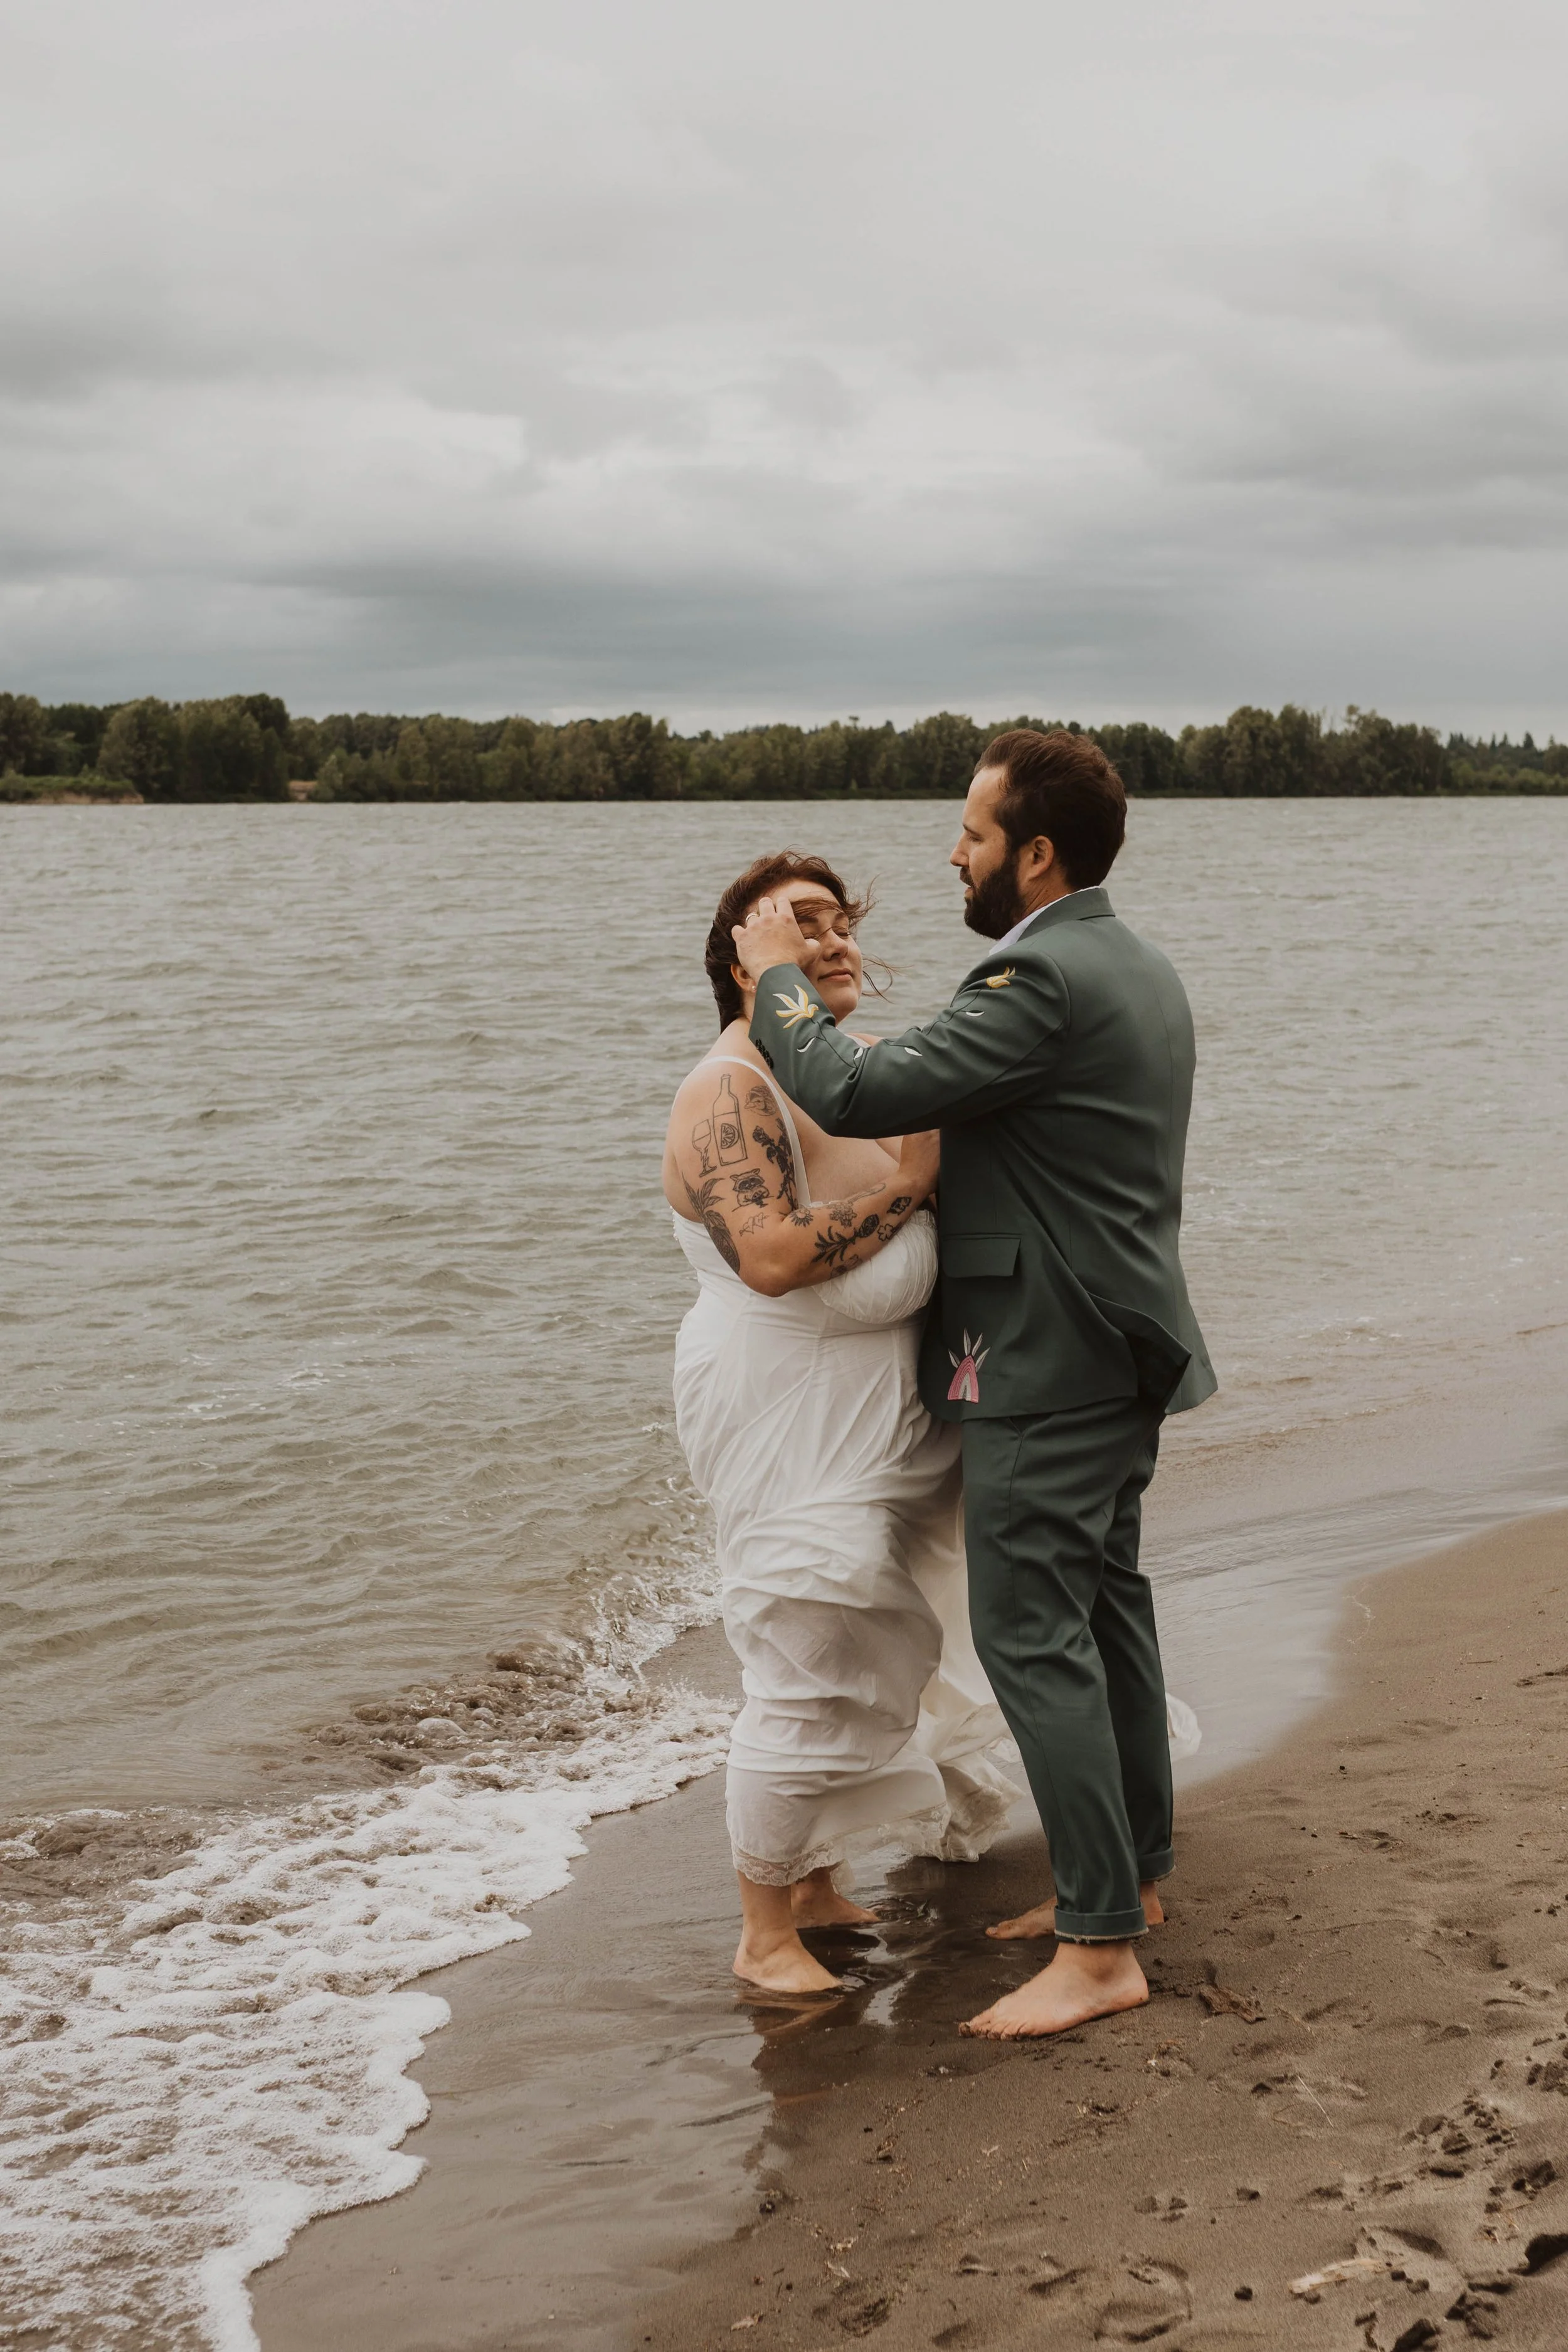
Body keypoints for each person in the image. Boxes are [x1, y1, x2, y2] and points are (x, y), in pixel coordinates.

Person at [736, 731, 1216, 2038]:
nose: (953, 852)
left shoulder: (1039, 976)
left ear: (1035, 853)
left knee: (1027, 1633)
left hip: (1048, 1355)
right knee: (1106, 1608)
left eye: (972, 832)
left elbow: (856, 1081)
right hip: (1117, 1341)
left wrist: (774, 976)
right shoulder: (1136, 962)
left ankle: (1101, 1946)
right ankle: (1131, 1879)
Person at [664, 852, 1022, 1997]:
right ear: (743, 962)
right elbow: (771, 1254)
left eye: (843, 923)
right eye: (800, 926)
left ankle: (819, 1884)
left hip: (891, 1412)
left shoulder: (866, 1070)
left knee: (888, 1643)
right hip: (784, 1408)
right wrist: (911, 1187)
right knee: (808, 1655)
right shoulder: (730, 1092)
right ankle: (764, 1933)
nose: (834, 943)